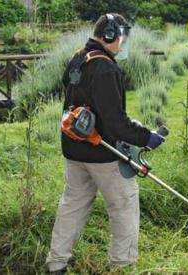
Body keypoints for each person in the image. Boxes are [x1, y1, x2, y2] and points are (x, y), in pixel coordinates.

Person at [46, 13, 165, 274]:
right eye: (120, 36)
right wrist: (147, 138)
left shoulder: (77, 58)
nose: (122, 43)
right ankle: (122, 266)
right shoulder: (106, 68)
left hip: (74, 149)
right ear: (110, 34)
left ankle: (56, 264)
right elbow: (115, 122)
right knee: (123, 206)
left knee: (72, 205)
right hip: (103, 153)